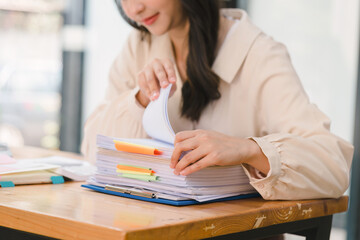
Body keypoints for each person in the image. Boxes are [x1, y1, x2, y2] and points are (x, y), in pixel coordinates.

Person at [81, 0, 354, 200]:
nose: (133, 10)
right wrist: (140, 99)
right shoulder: (140, 43)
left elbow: (333, 166)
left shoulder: (259, 54)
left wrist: (249, 150)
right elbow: (93, 149)